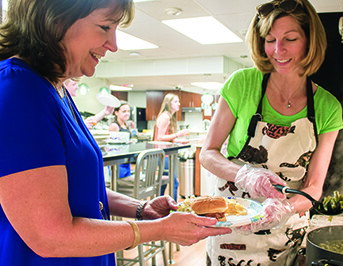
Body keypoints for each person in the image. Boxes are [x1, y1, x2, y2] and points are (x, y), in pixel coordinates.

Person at [0, 1, 231, 265]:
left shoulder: (55, 88)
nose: (113, 45)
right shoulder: (19, 91)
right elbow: (50, 235)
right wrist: (161, 229)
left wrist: (140, 209)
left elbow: (73, 187)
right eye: (105, 27)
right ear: (55, 20)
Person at [200, 0, 343, 265]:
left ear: (310, 41)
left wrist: (284, 208)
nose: (277, 51)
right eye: (269, 40)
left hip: (284, 234)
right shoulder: (242, 84)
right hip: (233, 225)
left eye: (290, 39)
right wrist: (244, 174)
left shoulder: (328, 107)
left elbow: (313, 187)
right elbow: (207, 154)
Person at [153, 93, 190, 201]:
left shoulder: (168, 116)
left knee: (163, 183)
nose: (179, 104)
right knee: (174, 182)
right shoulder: (165, 117)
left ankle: (158, 205)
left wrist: (177, 141)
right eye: (176, 102)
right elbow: (160, 137)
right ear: (168, 103)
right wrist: (179, 134)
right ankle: (172, 208)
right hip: (164, 155)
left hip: (165, 154)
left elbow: (165, 137)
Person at [108, 101, 136, 178]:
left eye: (128, 111)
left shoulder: (126, 126)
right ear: (116, 112)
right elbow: (112, 144)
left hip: (126, 161)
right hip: (117, 162)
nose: (127, 113)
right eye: (124, 111)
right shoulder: (114, 126)